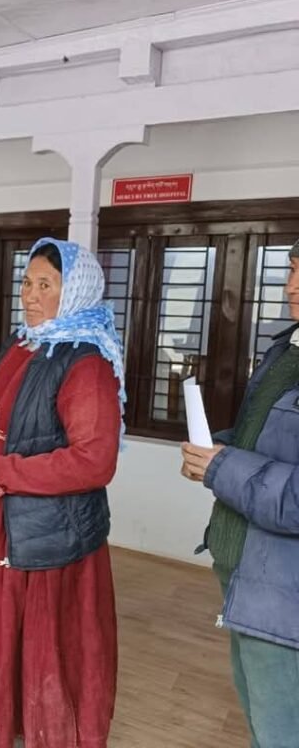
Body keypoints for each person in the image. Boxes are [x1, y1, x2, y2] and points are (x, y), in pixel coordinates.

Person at [0, 238, 124, 748]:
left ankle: (40, 734)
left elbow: (94, 461)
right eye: (27, 282)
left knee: (33, 635)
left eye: (46, 285)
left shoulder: (86, 363)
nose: (31, 295)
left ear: (75, 292)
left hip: (40, 528)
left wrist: (1, 470)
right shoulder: (24, 343)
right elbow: (2, 409)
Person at [180, 238, 299, 748]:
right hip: (245, 572)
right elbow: (267, 439)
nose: (292, 286)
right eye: (292, 269)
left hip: (285, 594)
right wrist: (219, 450)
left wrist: (224, 467)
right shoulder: (286, 349)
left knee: (279, 732)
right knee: (260, 719)